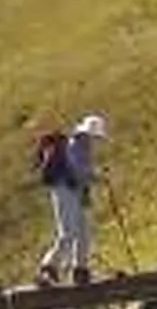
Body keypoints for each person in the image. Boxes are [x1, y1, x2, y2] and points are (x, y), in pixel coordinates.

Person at [36, 113, 109, 286]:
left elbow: (81, 174)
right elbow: (78, 171)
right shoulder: (76, 145)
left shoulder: (83, 145)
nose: (96, 140)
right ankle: (48, 267)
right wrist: (97, 176)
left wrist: (93, 179)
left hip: (75, 191)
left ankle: (80, 270)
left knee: (83, 232)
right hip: (65, 190)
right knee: (68, 232)